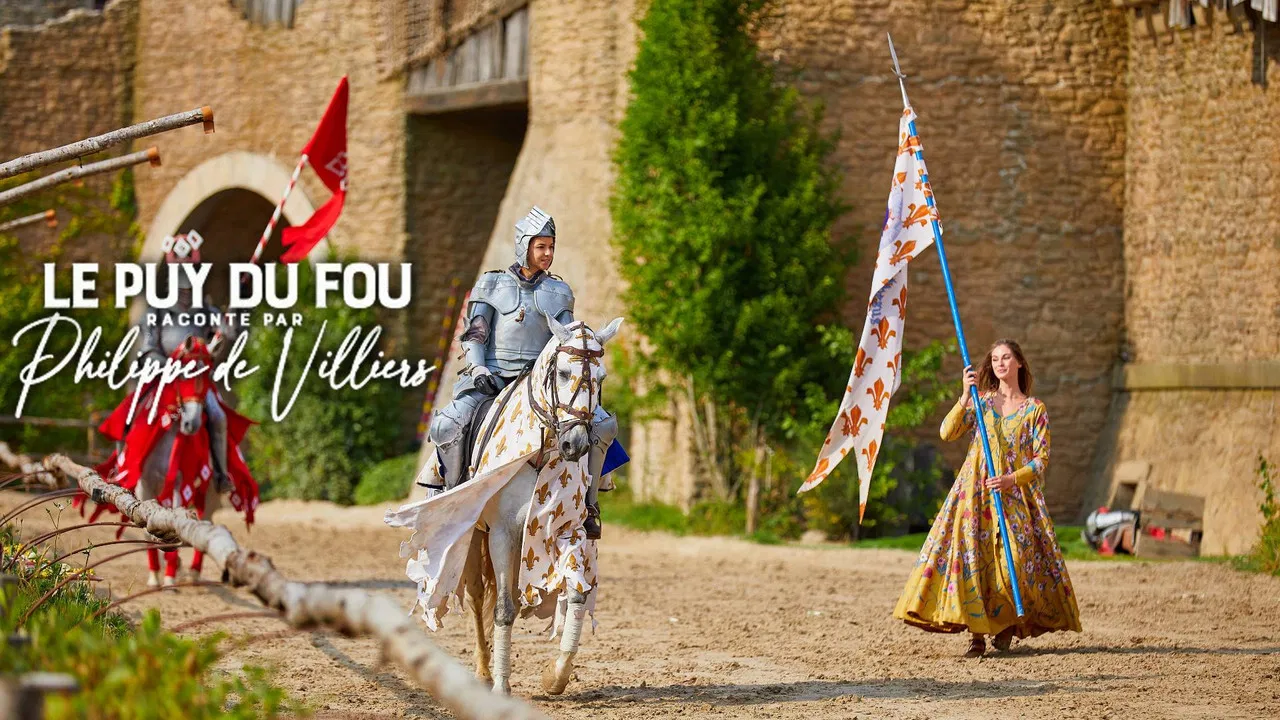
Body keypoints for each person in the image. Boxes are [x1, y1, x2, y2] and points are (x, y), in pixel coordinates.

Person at [424, 206, 618, 539]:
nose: (547, 254)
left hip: (541, 384)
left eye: (551, 247)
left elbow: (566, 338)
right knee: (449, 423)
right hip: (492, 376)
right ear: (523, 246)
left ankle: (588, 505)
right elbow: (475, 333)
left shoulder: (558, 292)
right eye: (541, 246)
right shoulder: (491, 284)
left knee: (601, 424)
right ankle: (453, 499)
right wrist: (478, 367)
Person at [893, 339, 1081, 657]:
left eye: (1006, 357)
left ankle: (1005, 624)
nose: (1000, 363)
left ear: (1019, 362)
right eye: (995, 359)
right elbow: (947, 432)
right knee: (973, 560)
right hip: (974, 497)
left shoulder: (1035, 409)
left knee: (1015, 562)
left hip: (1013, 498)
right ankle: (977, 636)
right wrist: (965, 396)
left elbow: (1041, 459)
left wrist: (1011, 479)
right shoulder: (981, 403)